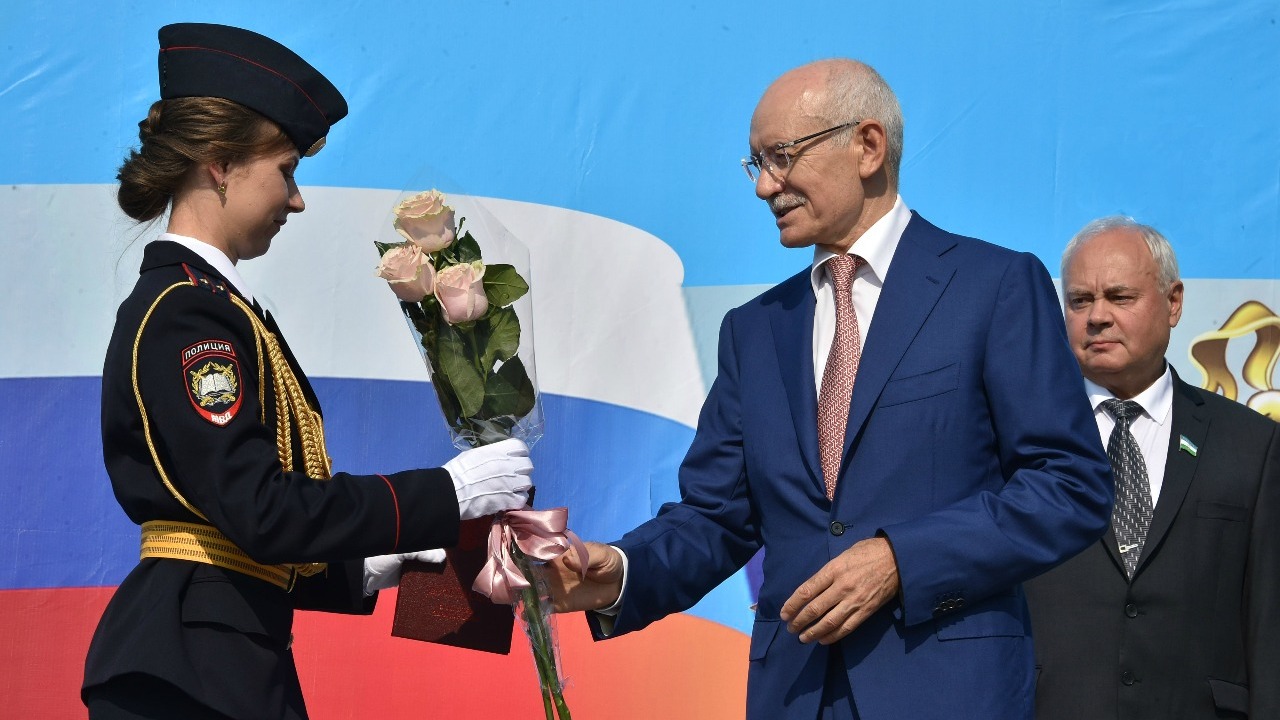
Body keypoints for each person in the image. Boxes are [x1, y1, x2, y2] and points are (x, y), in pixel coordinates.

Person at [545, 58, 1113, 719]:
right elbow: (716, 517)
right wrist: (619, 570)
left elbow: (1069, 485)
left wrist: (902, 559)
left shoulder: (994, 287)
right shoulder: (754, 331)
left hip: (948, 693)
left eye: (781, 156)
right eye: (756, 164)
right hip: (796, 695)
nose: (765, 186)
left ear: (867, 146)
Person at [81, 23, 533, 719]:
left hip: (220, 666)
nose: (296, 199)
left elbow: (242, 539)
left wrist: (381, 562)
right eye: (286, 170)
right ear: (219, 163)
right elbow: (262, 511)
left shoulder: (214, 306)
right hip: (190, 676)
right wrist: (446, 493)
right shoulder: (186, 312)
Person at [1025, 217, 1280, 719]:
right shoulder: (1016, 437)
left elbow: (1270, 626)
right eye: (1079, 301)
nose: (1097, 317)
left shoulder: (1251, 444)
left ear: (1174, 302)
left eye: (1120, 297)